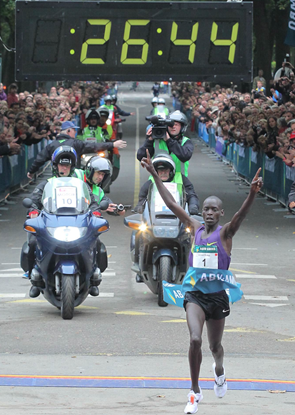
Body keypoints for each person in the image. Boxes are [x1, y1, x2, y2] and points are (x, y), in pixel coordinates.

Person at [141, 149, 263, 414]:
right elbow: (173, 204)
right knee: (194, 340)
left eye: (213, 210)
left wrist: (252, 193)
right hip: (195, 296)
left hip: (217, 297)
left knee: (214, 346)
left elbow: (241, 216)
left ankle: (219, 371)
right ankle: (195, 392)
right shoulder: (195, 228)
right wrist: (153, 174)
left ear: (220, 214)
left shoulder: (226, 233)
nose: (208, 213)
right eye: (205, 209)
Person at [24, 146, 101, 298]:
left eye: (67, 165)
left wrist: (96, 212)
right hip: (51, 221)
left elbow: (91, 201)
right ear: (55, 166)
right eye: (61, 164)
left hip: (76, 221)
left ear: (72, 167)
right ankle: (34, 278)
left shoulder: (81, 185)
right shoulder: (46, 184)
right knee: (32, 241)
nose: (64, 167)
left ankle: (94, 278)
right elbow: (33, 201)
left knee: (97, 241)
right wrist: (33, 211)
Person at [26, 120, 127, 178]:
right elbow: (94, 146)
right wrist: (112, 145)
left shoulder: (52, 145)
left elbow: (39, 159)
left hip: (56, 179)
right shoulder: (76, 143)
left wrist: (31, 171)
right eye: (74, 130)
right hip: (74, 178)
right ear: (69, 131)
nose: (75, 132)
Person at [137, 110, 194, 177]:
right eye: (170, 125)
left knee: (190, 187)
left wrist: (169, 140)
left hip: (180, 179)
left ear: (182, 127)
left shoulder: (186, 141)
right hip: (158, 178)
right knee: (145, 188)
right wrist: (149, 140)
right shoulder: (157, 140)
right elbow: (141, 157)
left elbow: (185, 156)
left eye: (176, 125)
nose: (173, 127)